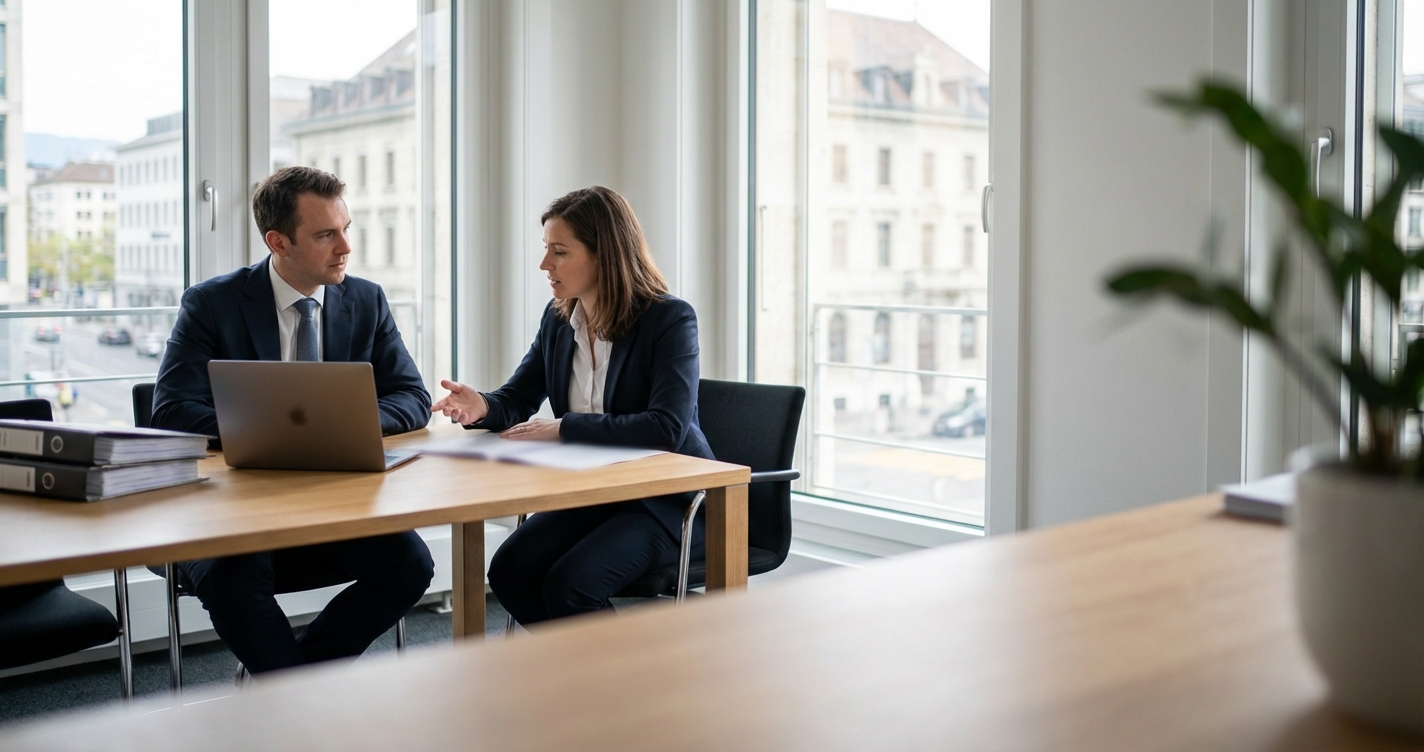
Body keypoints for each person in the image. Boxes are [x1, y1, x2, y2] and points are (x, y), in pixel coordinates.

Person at [151, 166, 434, 674]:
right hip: (233, 506)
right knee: (233, 577)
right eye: (326, 235)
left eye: (347, 229)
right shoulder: (212, 303)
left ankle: (292, 683)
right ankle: (297, 698)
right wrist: (269, 432)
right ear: (278, 241)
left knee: (410, 565)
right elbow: (171, 407)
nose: (345, 247)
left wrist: (340, 424)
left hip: (333, 501)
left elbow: (411, 396)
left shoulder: (365, 300)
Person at [433, 185, 712, 626]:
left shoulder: (669, 319)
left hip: (668, 503)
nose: (545, 264)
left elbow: (666, 428)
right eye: (546, 249)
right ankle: (579, 684)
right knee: (510, 572)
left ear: (605, 253)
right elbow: (519, 397)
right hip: (592, 494)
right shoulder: (559, 318)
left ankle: (630, 690)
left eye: (559, 252)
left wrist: (563, 426)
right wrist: (481, 406)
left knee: (572, 587)